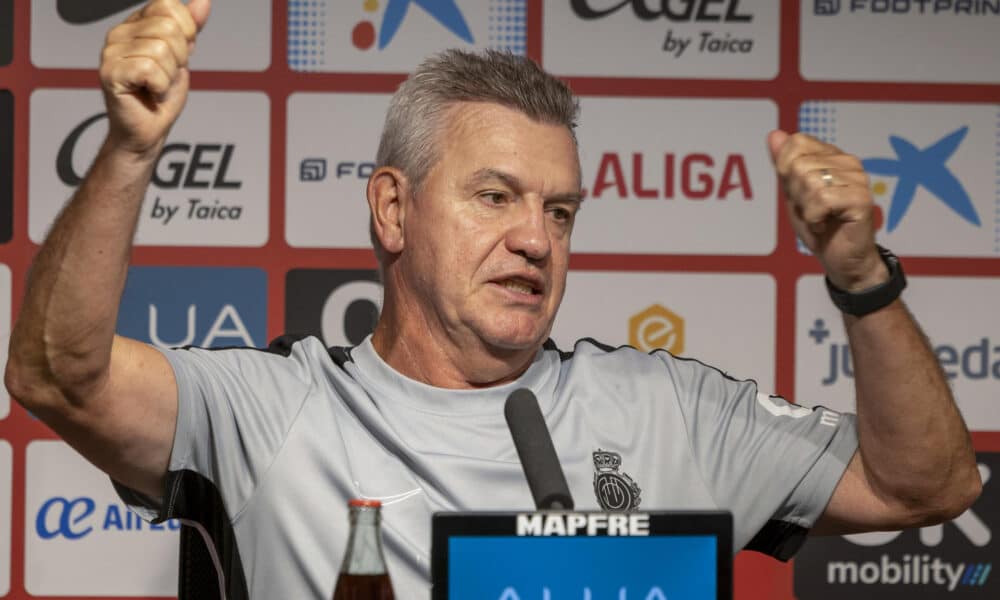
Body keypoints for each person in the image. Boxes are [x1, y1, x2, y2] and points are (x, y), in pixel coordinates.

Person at [6, 0, 981, 597]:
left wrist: (861, 279)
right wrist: (132, 149)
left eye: (560, 211)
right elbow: (57, 374)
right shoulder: (268, 405)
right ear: (392, 209)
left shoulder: (669, 407)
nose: (535, 239)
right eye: (495, 197)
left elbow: (925, 487)